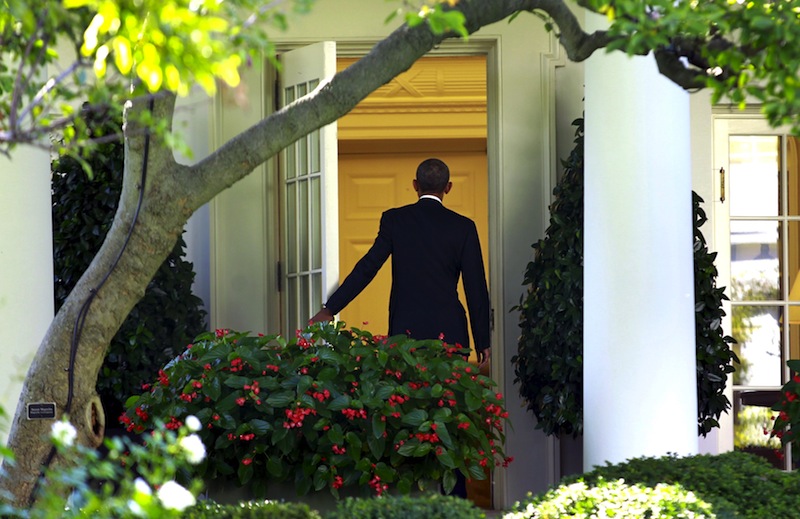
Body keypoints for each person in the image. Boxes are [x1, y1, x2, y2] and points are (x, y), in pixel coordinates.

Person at [310, 158, 491, 498]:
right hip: (451, 337)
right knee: (451, 418)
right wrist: (484, 341)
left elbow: (368, 268)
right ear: (448, 189)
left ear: (414, 185)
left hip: (405, 337)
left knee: (406, 417)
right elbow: (476, 288)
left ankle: (408, 498)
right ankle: (456, 502)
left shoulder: (396, 220)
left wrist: (329, 309)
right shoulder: (463, 227)